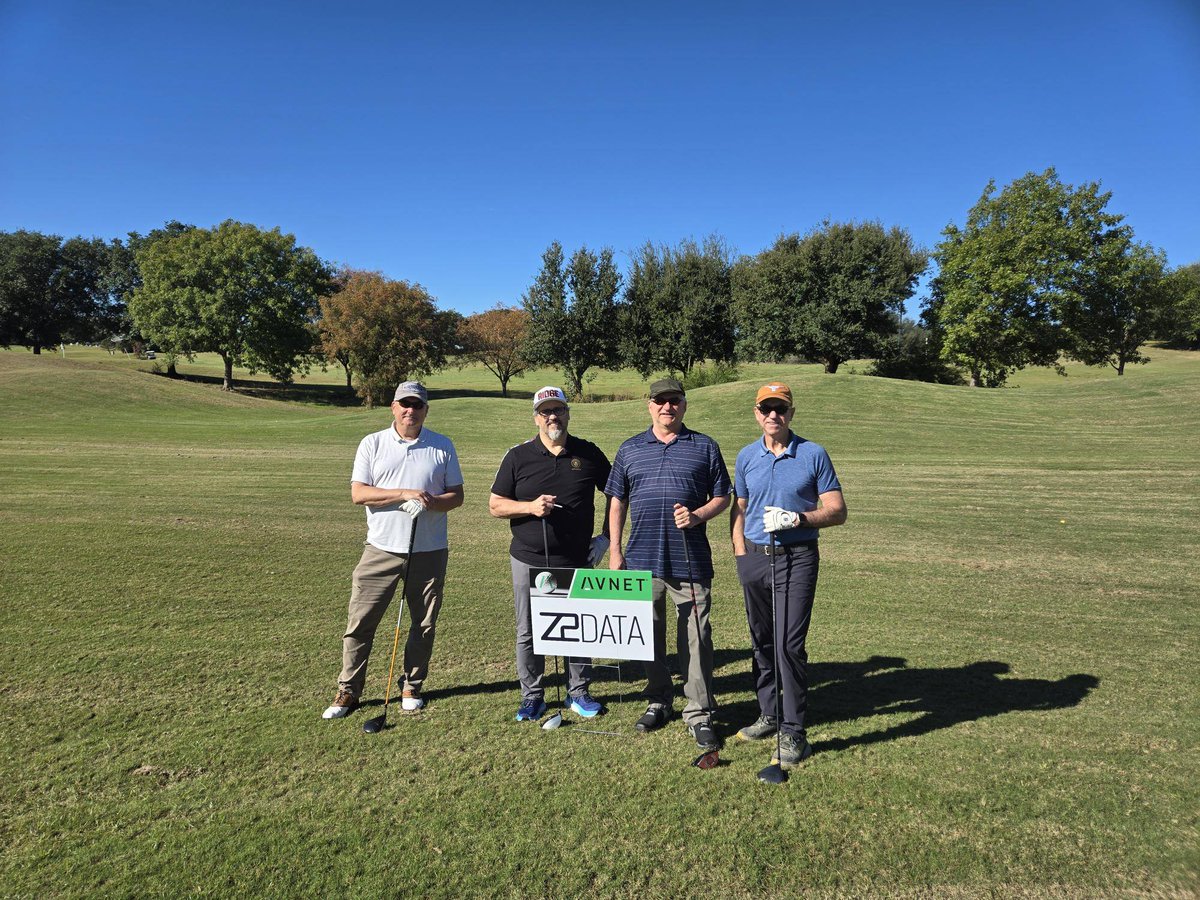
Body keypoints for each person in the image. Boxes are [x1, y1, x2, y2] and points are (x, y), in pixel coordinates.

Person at [323, 381, 465, 719]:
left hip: (429, 550)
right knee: (360, 622)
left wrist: (430, 501)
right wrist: (404, 493)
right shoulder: (372, 443)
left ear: (426, 410)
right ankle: (348, 690)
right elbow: (359, 494)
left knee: (423, 624)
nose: (410, 410)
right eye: (405, 404)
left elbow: (456, 496)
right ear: (394, 407)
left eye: (417, 405)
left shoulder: (442, 445)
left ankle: (411, 686)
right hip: (381, 549)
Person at [605, 377, 731, 751]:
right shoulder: (630, 449)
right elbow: (617, 501)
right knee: (647, 635)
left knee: (696, 637)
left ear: (684, 405)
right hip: (641, 559)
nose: (667, 407)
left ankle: (699, 713)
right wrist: (615, 551)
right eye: (660, 401)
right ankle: (659, 700)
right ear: (650, 406)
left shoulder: (705, 446)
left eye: (674, 400)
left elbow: (722, 496)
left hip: (690, 560)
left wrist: (697, 515)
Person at [730, 381, 846, 767]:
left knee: (788, 645)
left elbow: (837, 510)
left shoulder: (813, 454)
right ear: (756, 413)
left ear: (791, 413)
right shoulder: (747, 456)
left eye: (780, 408)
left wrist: (799, 519)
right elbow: (740, 506)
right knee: (761, 641)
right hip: (754, 558)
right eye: (766, 409)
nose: (773, 415)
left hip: (797, 557)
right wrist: (740, 552)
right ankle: (769, 713)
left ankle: (793, 730)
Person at [489, 386, 613, 722]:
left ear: (568, 414)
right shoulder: (518, 456)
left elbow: (617, 494)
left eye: (558, 410)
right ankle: (532, 697)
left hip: (576, 558)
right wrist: (529, 507)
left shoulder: (588, 453)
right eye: (545, 412)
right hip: (528, 558)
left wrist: (606, 537)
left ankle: (579, 693)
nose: (552, 417)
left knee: (577, 626)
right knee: (528, 631)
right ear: (536, 418)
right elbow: (496, 505)